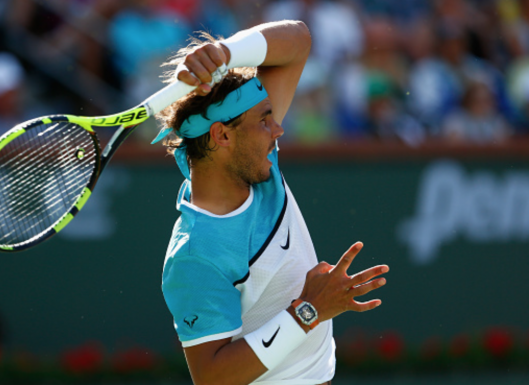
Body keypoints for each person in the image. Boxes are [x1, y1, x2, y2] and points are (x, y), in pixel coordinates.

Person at [152, 21, 389, 385]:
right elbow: (212, 377)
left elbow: (298, 40)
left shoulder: (255, 158)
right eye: (265, 121)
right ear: (222, 135)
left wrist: (225, 52)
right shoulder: (195, 252)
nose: (278, 129)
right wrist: (309, 311)